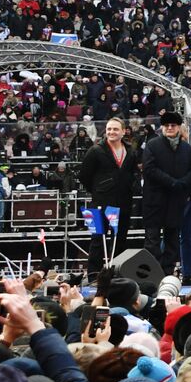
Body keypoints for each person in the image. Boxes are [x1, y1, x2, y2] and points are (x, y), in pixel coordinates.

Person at [78, 115, 138, 272]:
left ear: (123, 132)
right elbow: (84, 176)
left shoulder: (130, 151)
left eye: (115, 129)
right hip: (99, 202)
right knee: (97, 239)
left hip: (123, 203)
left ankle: (117, 272)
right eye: (109, 129)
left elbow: (132, 174)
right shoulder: (95, 150)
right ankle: (93, 274)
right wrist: (99, 190)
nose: (112, 132)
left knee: (119, 240)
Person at [140, 112, 191, 275]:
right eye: (167, 126)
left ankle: (167, 272)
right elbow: (149, 169)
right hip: (155, 201)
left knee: (172, 239)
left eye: (173, 125)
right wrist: (173, 182)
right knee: (152, 240)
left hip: (175, 201)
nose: (170, 128)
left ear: (179, 128)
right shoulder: (153, 145)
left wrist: (183, 183)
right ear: (162, 128)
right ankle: (152, 273)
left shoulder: (186, 148)